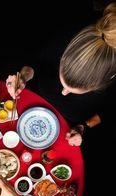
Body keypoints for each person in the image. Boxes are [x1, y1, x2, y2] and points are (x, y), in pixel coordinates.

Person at [6, 2, 116, 147]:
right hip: (35, 97)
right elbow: (38, 61)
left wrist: (83, 126)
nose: (63, 93)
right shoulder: (70, 33)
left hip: (70, 124)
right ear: (64, 56)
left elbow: (109, 111)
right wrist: (24, 76)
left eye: (72, 91)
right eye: (63, 83)